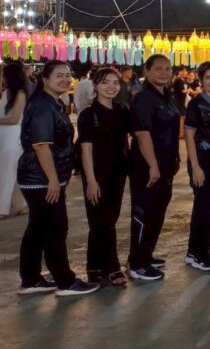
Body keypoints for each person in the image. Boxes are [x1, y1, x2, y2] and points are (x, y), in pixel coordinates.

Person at [16, 61, 100, 297]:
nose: (65, 79)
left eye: (67, 75)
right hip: (41, 178)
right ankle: (65, 281)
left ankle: (31, 279)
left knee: (38, 228)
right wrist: (53, 179)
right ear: (45, 79)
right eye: (59, 76)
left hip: (41, 176)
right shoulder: (43, 106)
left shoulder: (54, 102)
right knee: (55, 228)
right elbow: (41, 145)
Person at [128, 55, 181, 282]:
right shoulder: (143, 98)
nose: (164, 72)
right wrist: (152, 165)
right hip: (147, 167)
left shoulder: (166, 96)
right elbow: (142, 134)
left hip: (165, 166)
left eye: (168, 68)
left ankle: (146, 254)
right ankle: (137, 263)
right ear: (146, 71)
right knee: (144, 213)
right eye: (158, 68)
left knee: (157, 212)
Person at [78, 68, 131, 286]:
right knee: (103, 221)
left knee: (105, 220)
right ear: (95, 86)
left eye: (115, 82)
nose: (111, 86)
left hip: (118, 173)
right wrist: (91, 181)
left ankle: (93, 267)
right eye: (105, 82)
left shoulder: (122, 110)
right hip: (96, 174)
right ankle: (112, 267)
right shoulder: (88, 114)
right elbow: (86, 150)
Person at [183, 61, 210, 272]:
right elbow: (189, 136)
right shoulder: (196, 104)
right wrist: (196, 166)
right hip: (202, 161)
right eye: (208, 78)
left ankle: (198, 251)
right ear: (201, 80)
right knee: (202, 208)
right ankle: (198, 254)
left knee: (207, 208)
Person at [0, 62, 29, 218]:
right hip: (4, 135)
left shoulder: (20, 93)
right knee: (9, 171)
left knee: (7, 172)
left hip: (12, 136)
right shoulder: (7, 92)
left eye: (4, 75)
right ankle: (20, 205)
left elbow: (15, 119)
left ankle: (2, 208)